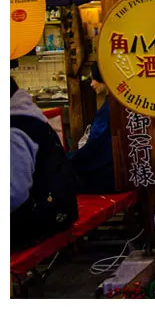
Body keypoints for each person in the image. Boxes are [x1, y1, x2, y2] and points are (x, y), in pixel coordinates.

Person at [11, 74, 78, 250]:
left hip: (39, 218)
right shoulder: (26, 115)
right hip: (54, 209)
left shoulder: (13, 130)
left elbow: (13, 196)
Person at [69, 62, 116, 194]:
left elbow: (96, 146)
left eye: (94, 79)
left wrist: (71, 161)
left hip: (106, 177)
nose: (91, 84)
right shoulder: (114, 103)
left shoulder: (108, 109)